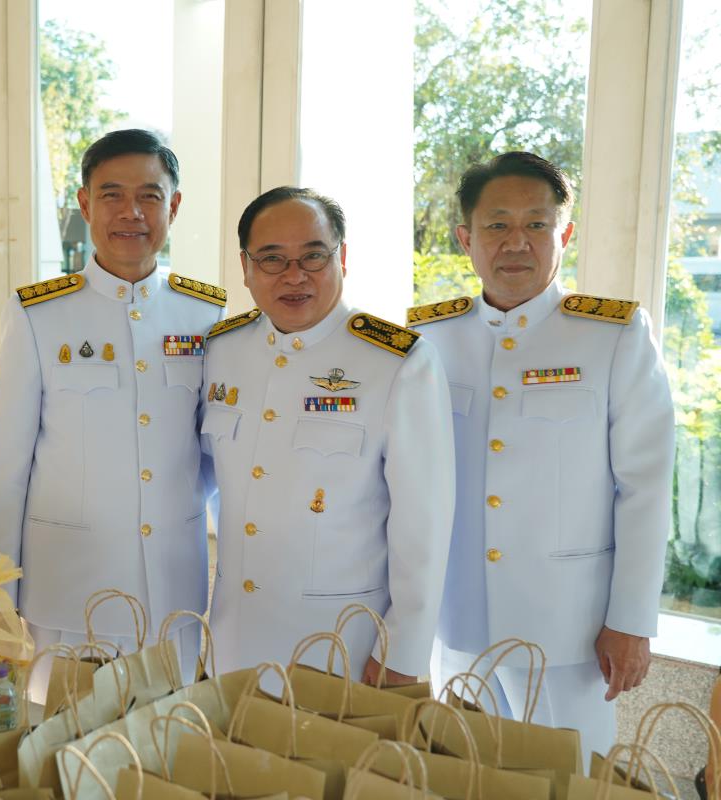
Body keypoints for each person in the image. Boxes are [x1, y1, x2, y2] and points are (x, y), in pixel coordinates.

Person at [412, 151, 675, 762]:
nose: (516, 242)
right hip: (458, 620)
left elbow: (645, 487)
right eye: (497, 225)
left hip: (570, 630)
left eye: (536, 224)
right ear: (466, 239)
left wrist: (632, 619)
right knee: (464, 775)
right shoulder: (428, 338)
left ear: (565, 234)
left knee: (574, 778)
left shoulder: (614, 335)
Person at [0, 129, 225, 692]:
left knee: (169, 738)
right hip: (68, 590)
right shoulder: (39, 313)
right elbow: (8, 466)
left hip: (172, 593)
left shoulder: (205, 314)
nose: (131, 212)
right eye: (112, 194)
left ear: (174, 206)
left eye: (149, 196)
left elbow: (216, 455)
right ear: (85, 204)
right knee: (60, 740)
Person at [202, 187, 455, 682]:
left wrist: (401, 652)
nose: (294, 275)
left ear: (343, 257)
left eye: (313, 256)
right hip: (234, 637)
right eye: (272, 259)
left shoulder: (397, 362)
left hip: (342, 644)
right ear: (246, 267)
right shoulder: (223, 350)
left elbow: (423, 524)